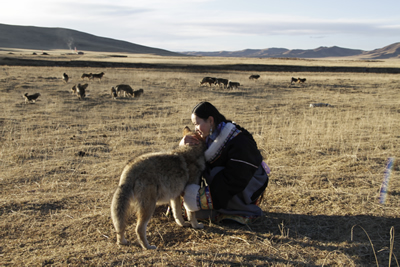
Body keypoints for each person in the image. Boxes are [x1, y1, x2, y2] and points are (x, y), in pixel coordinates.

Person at [180, 101, 270, 224]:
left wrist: (200, 198)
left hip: (248, 182)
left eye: (197, 124)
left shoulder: (239, 140)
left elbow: (237, 177)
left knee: (215, 172)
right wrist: (184, 144)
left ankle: (243, 209)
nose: (195, 129)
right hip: (225, 185)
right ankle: (224, 208)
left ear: (210, 120)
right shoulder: (208, 139)